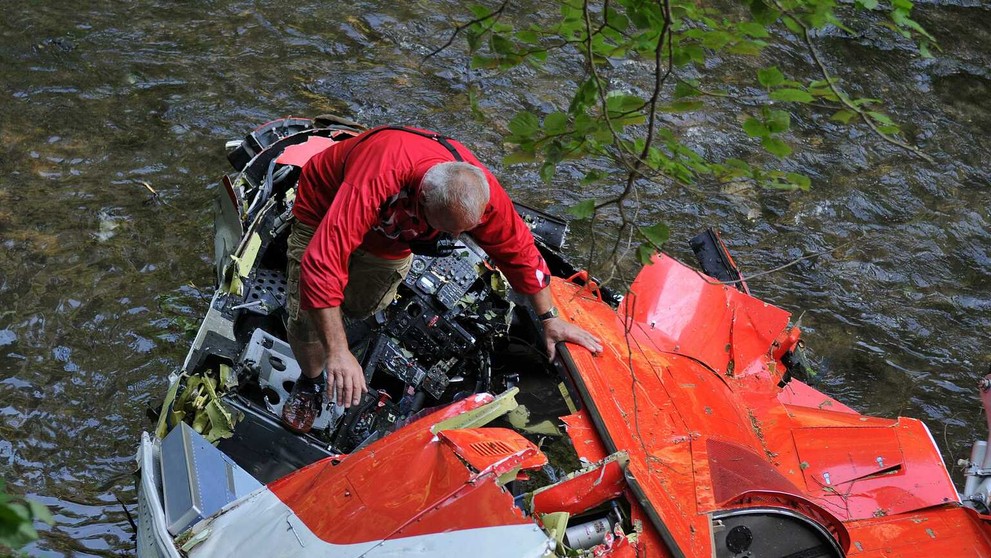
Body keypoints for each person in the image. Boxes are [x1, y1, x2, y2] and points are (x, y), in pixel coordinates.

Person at [281, 125, 603, 433]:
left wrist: (549, 319)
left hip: (390, 238)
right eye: (448, 229)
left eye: (463, 231)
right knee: (308, 317)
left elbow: (520, 252)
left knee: (362, 303)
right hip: (324, 210)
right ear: (422, 199)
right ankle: (310, 381)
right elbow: (322, 262)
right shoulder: (380, 174)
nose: (455, 238)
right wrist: (337, 351)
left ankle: (334, 322)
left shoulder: (483, 195)